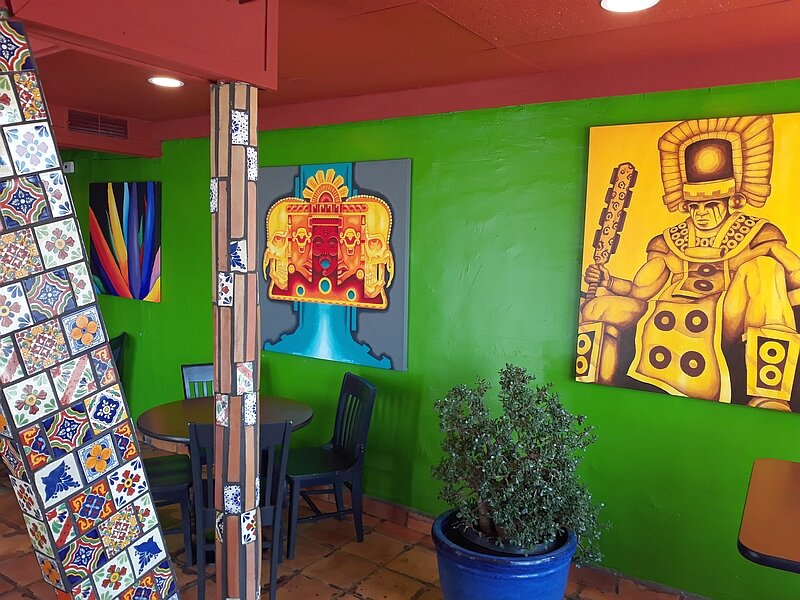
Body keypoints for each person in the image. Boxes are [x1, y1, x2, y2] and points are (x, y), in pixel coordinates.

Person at [579, 115, 800, 410]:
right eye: (694, 206)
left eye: (711, 204)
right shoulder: (669, 240)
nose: (701, 213)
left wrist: (771, 258)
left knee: (764, 268)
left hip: (724, 314)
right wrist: (607, 282)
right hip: (662, 311)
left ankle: (770, 396)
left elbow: (794, 275)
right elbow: (640, 291)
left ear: (732, 201)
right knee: (597, 307)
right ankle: (595, 392)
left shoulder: (758, 233)